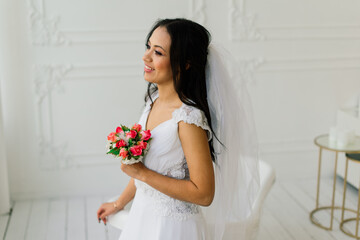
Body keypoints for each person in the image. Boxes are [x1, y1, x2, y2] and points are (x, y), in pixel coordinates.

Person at [97, 18, 259, 240]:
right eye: (148, 47)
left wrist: (142, 173)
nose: (146, 57)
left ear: (185, 64)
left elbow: (204, 194)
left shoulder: (188, 119)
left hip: (173, 228)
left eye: (158, 52)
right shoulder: (152, 101)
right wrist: (118, 203)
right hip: (142, 218)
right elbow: (143, 171)